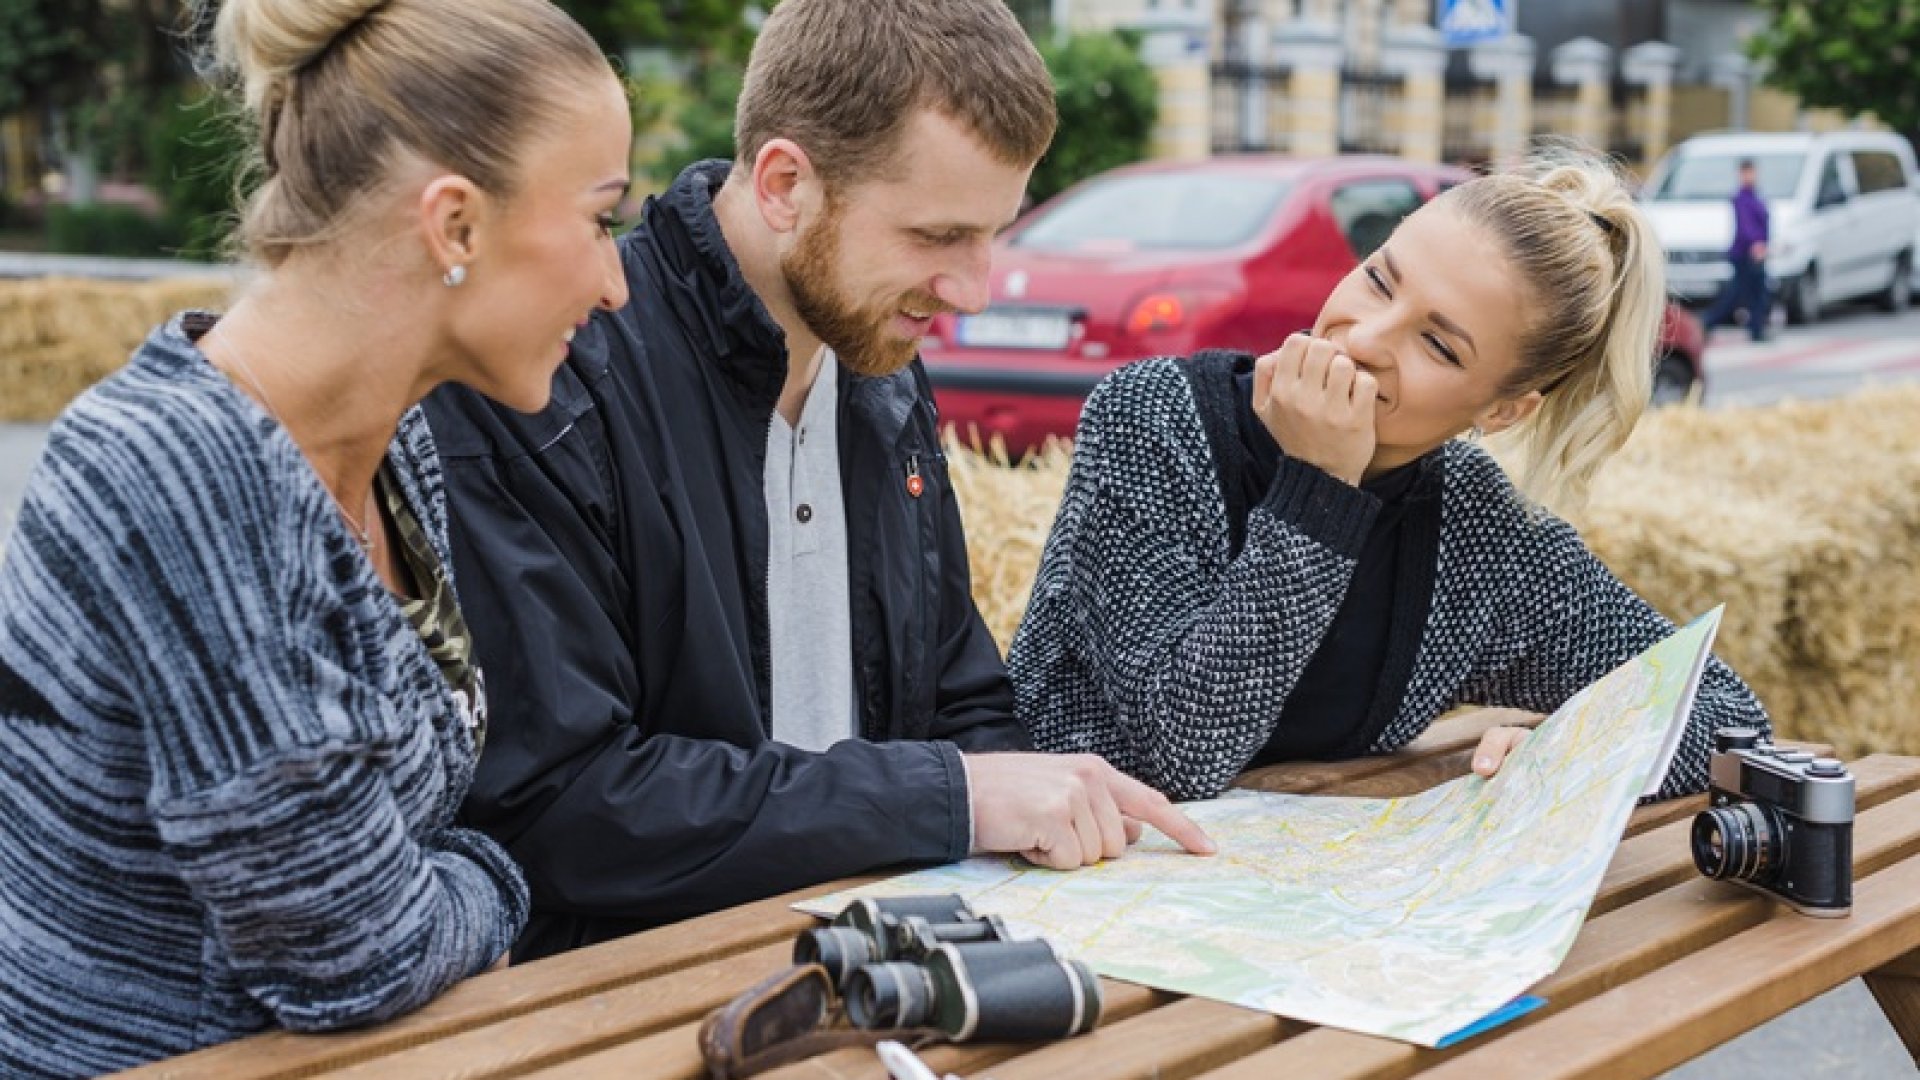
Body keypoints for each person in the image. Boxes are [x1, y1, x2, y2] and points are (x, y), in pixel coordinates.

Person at [421, 0, 1213, 963]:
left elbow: (961, 703)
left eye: (994, 233)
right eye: (936, 236)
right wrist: (949, 800)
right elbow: (558, 805)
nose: (974, 288)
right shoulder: (549, 375)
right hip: (641, 988)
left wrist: (1024, 793)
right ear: (786, 183)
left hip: (875, 957)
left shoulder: (879, 369)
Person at [0, 0, 632, 1072]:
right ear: (455, 225)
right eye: (601, 219)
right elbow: (358, 956)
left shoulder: (396, 450)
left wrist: (429, 884)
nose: (616, 283)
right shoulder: (184, 474)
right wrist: (500, 877)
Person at [1010, 151, 1771, 803]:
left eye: (1438, 346)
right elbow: (1178, 752)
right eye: (1379, 279)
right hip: (1074, 886)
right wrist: (1320, 491)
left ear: (1504, 410)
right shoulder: (1151, 417)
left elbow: (1725, 715)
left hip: (1314, 920)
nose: (1365, 337)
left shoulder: (1479, 531)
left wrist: (1571, 757)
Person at [1699, 158, 1772, 342]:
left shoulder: (1756, 196)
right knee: (1738, 295)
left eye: (1751, 172)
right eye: (1746, 172)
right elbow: (1747, 228)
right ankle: (1707, 323)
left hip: (1757, 253)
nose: (1749, 176)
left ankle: (1756, 329)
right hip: (1745, 253)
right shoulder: (1741, 198)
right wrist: (1756, 244)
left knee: (1756, 292)